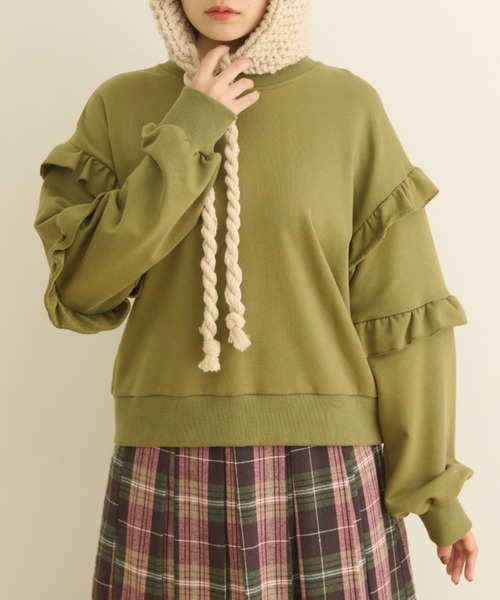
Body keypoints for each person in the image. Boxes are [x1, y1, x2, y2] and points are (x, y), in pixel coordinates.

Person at [34, 0, 478, 597]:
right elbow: (79, 291)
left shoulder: (348, 107)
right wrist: (189, 128)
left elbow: (401, 313)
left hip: (327, 462)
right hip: (166, 459)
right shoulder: (120, 104)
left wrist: (436, 494)